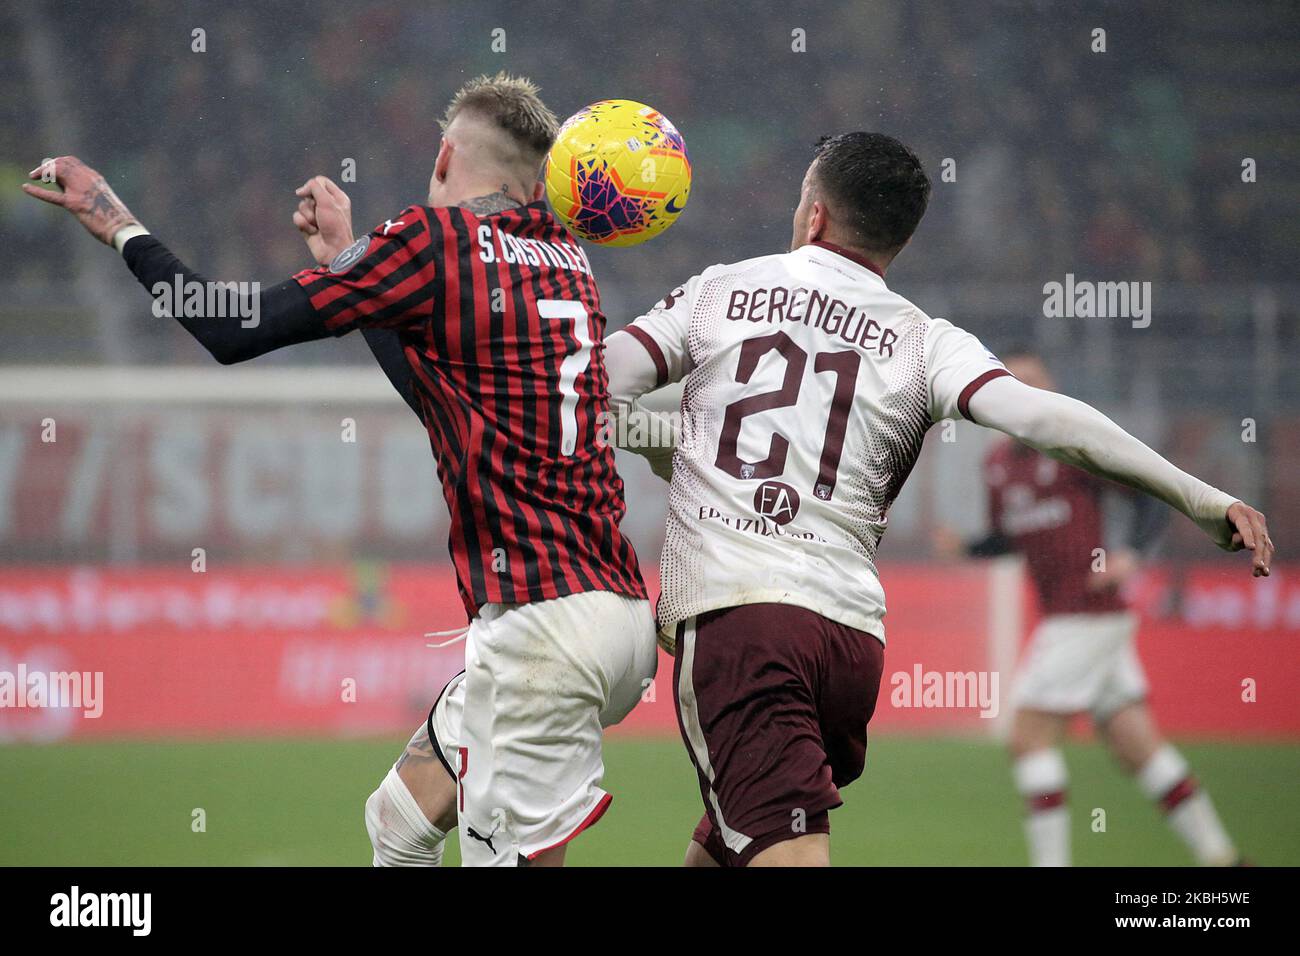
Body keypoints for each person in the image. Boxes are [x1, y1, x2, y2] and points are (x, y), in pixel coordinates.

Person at [24, 73, 658, 868]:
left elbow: (227, 329)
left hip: (543, 629)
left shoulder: (431, 242)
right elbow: (440, 391)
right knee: (396, 825)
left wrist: (112, 220)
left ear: (443, 154)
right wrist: (357, 274)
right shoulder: (568, 261)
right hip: (613, 617)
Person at [598, 131, 1273, 867]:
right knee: (727, 844)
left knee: (786, 851)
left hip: (748, 620)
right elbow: (1051, 421)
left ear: (815, 216)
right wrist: (1201, 498)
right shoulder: (925, 340)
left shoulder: (722, 290)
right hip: (850, 642)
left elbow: (596, 387)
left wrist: (662, 435)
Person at [933, 348, 1243, 866]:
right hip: (1070, 619)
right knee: (1135, 746)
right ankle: (1223, 860)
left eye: (1034, 380)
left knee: (1027, 737)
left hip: (1089, 613)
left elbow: (1149, 493)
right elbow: (1011, 538)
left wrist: (1132, 555)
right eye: (1015, 382)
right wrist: (966, 548)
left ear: (1050, 387)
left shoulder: (1071, 446)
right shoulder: (998, 465)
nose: (1024, 392)